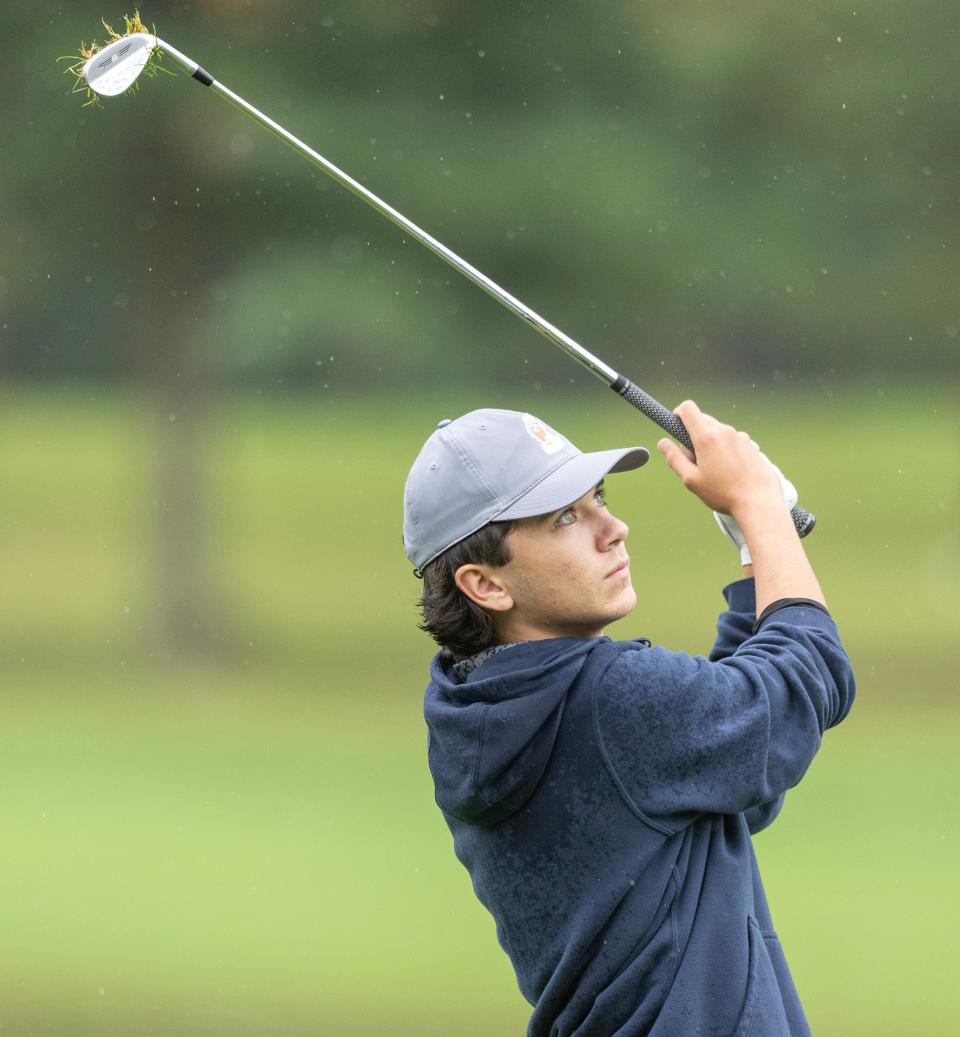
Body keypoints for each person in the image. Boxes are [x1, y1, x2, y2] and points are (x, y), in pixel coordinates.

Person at [402, 402, 855, 1037]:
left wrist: (761, 557)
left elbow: (730, 775)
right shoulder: (608, 698)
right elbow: (801, 689)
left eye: (599, 500)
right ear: (486, 585)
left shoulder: (479, 707)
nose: (614, 527)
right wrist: (760, 512)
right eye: (566, 518)